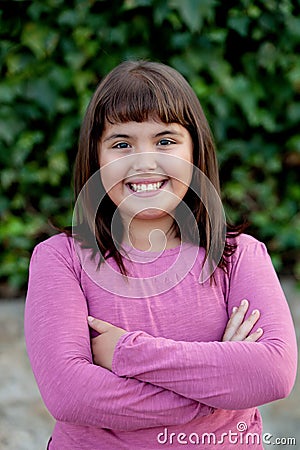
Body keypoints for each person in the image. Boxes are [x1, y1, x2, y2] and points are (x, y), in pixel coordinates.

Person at [24, 60, 297, 450]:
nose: (144, 162)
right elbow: (70, 395)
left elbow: (272, 374)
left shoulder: (239, 257)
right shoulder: (61, 259)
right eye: (121, 144)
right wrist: (219, 383)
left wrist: (127, 353)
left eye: (165, 140)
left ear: (195, 150)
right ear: (96, 156)